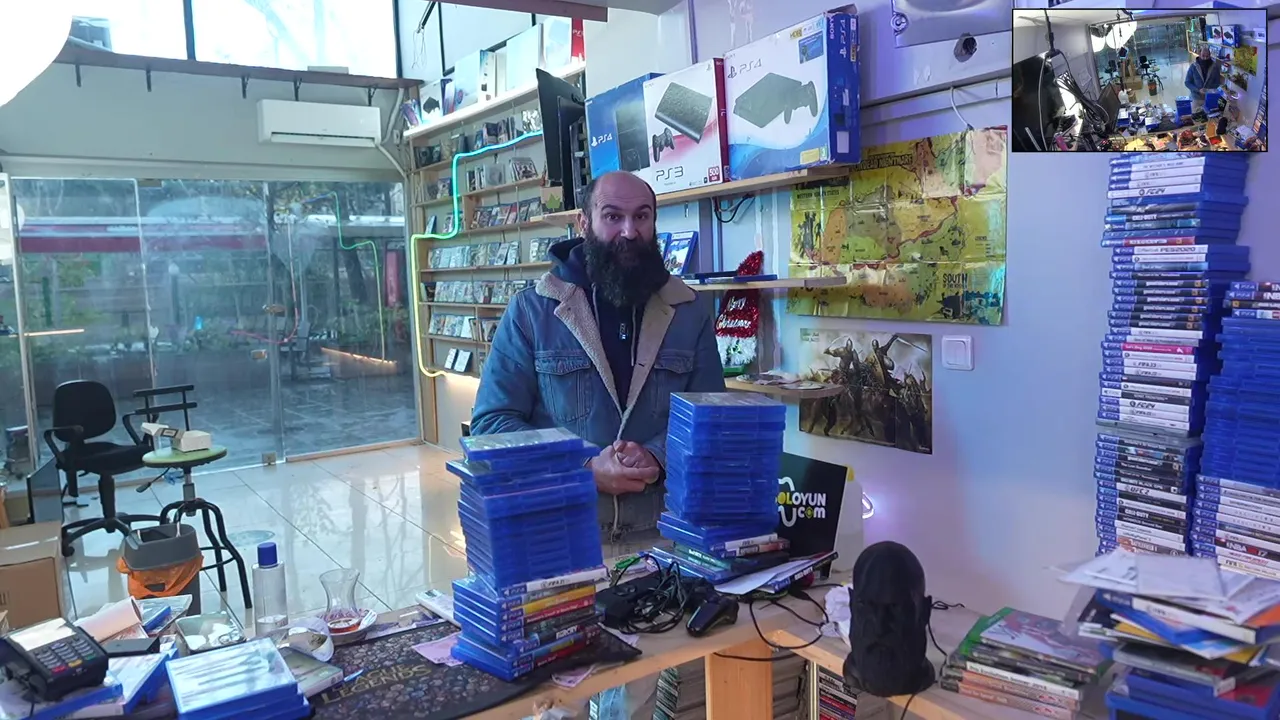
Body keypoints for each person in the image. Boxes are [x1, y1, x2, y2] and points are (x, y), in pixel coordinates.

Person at [470, 170, 726, 718]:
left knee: (632, 698)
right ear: (583, 223)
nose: (629, 231)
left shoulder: (689, 311)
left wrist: (657, 454)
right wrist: (584, 467)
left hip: (653, 539)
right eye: (613, 217)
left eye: (642, 217)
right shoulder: (533, 311)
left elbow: (709, 418)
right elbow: (492, 426)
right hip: (560, 540)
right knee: (558, 698)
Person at [1185, 45, 1223, 112]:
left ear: (1210, 55)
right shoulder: (1193, 66)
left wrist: (1209, 90)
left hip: (1210, 98)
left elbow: (1217, 83)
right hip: (1196, 98)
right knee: (1195, 115)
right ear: (1199, 54)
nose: (1205, 58)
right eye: (1203, 56)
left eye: (1207, 56)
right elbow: (1187, 82)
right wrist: (1198, 89)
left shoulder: (1215, 67)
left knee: (1210, 116)